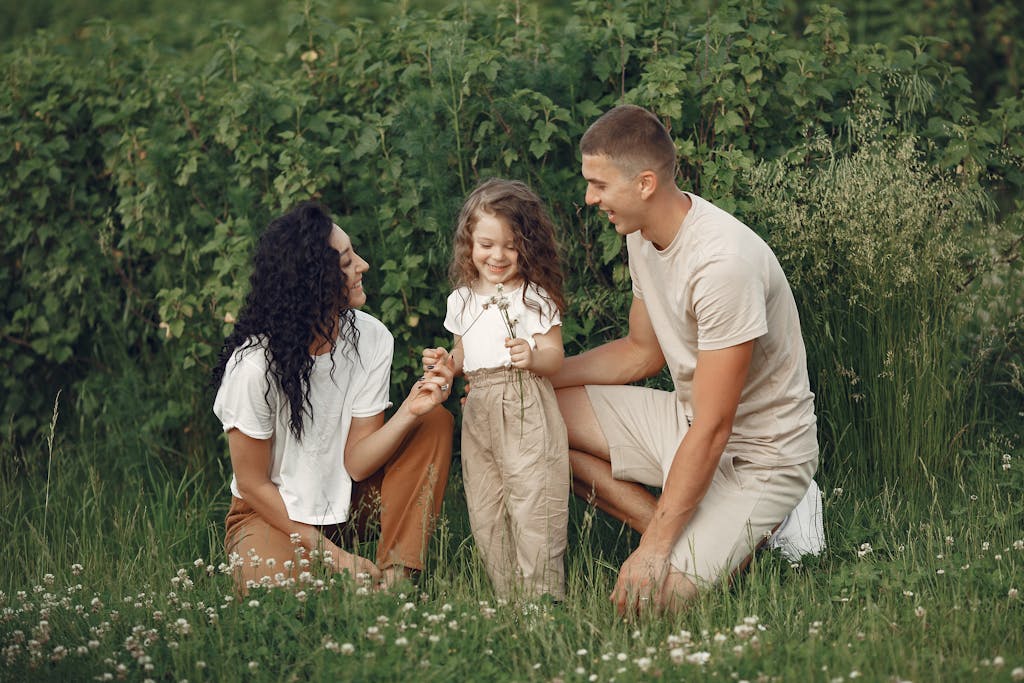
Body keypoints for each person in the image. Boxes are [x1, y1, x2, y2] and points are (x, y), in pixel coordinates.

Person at [552, 104, 821, 615]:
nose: (589, 198)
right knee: (529, 413)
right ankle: (693, 529)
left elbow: (718, 427)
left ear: (646, 183)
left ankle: (772, 515)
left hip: (760, 454)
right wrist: (535, 376)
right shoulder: (639, 233)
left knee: (652, 605)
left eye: (599, 185)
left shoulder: (723, 266)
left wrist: (652, 553)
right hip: (689, 422)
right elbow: (640, 353)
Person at [212, 201, 454, 594]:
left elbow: (357, 464)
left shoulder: (372, 337)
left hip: (349, 502)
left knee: (433, 421)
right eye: (346, 262)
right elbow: (253, 485)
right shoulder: (254, 367)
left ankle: (394, 584)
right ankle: (329, 568)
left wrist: (411, 408)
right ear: (311, 281)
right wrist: (333, 555)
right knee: (282, 600)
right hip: (272, 515)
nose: (363, 265)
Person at [422, 179, 570, 601]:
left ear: (529, 246)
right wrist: (445, 366)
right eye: (487, 244)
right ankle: (508, 596)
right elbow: (463, 353)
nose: (498, 256)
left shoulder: (534, 297)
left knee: (533, 498)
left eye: (511, 245)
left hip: (526, 400)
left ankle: (543, 596)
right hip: (480, 409)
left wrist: (532, 356)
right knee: (487, 503)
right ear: (469, 243)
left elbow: (555, 355)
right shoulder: (463, 300)